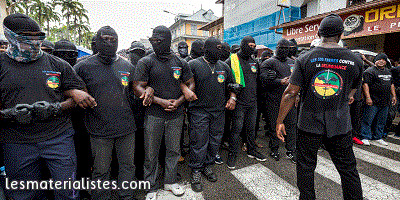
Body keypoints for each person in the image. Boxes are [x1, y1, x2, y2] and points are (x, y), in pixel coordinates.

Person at [0, 13, 96, 200]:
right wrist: (8, 114)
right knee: (24, 194)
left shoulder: (57, 64)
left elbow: (81, 94)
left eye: (38, 38)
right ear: (10, 36)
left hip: (58, 137)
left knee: (67, 191)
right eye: (28, 38)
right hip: (17, 141)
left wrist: (58, 107)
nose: (35, 43)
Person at [276, 14, 363, 200]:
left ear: (319, 33)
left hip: (309, 122)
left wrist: (279, 121)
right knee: (348, 170)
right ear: (341, 34)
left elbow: (291, 93)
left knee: (306, 167)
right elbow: (351, 93)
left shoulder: (305, 58)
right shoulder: (355, 60)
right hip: (340, 123)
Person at [74, 26, 145, 200]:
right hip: (99, 129)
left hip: (126, 128)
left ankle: (126, 195)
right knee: (101, 169)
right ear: (97, 41)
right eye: (104, 39)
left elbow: (136, 91)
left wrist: (148, 89)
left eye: (113, 40)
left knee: (128, 166)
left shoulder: (127, 66)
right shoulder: (83, 66)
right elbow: (71, 90)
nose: (108, 43)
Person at [132, 25, 195, 200]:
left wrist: (179, 101)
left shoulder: (180, 62)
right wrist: (160, 101)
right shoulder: (146, 61)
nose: (155, 44)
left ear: (168, 41)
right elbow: (137, 87)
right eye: (153, 40)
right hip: (154, 115)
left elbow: (190, 84)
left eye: (158, 41)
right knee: (151, 153)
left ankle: (170, 181)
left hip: (176, 115)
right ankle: (151, 187)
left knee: (173, 151)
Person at [187, 37, 237, 192]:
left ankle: (208, 166)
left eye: (221, 48)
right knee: (199, 141)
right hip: (199, 111)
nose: (220, 50)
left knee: (215, 141)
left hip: (218, 111)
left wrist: (233, 97)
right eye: (217, 47)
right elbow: (183, 84)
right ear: (206, 49)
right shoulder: (193, 65)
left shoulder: (224, 66)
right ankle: (196, 170)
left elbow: (233, 85)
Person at [225, 36, 267, 170]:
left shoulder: (254, 62)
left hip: (252, 102)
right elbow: (224, 82)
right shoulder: (231, 60)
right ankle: (232, 154)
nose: (252, 48)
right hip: (238, 103)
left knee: (251, 129)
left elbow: (258, 82)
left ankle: (251, 150)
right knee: (236, 129)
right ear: (243, 45)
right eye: (250, 45)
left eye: (254, 46)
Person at [261, 38, 296, 163]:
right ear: (277, 48)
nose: (284, 50)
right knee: (274, 125)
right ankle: (274, 149)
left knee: (291, 126)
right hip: (274, 100)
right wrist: (279, 81)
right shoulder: (269, 62)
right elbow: (263, 80)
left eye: (287, 49)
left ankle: (291, 150)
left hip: (290, 100)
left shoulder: (293, 62)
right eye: (282, 48)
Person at [360, 53, 396, 146]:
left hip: (385, 102)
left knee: (381, 121)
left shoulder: (388, 71)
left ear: (385, 62)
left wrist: (394, 96)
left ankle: (378, 137)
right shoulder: (369, 71)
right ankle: (365, 137)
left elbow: (391, 84)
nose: (381, 61)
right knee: (368, 120)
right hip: (373, 101)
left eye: (383, 60)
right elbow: (365, 85)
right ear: (375, 60)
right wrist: (368, 97)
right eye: (379, 59)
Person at [126, 41, 147, 180]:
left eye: (140, 53)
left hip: (142, 113)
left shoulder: (146, 69)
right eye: (135, 53)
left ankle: (139, 172)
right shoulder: (123, 68)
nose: (137, 56)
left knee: (141, 144)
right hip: (126, 114)